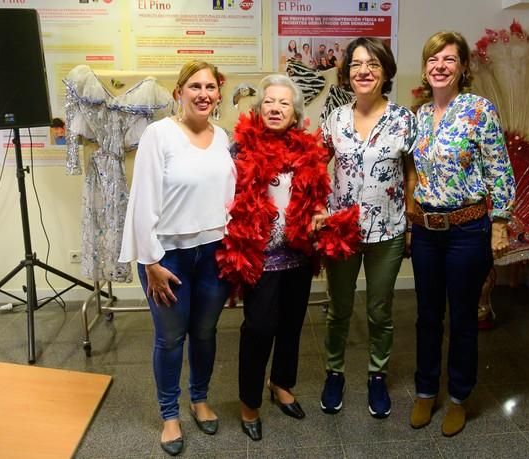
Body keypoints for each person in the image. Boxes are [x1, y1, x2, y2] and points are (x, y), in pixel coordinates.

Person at [216, 74, 354, 441]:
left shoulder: (307, 152)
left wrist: (319, 211)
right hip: (259, 257)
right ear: (259, 110)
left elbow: (314, 195)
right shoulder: (238, 150)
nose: (275, 108)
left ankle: (281, 384)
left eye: (283, 104)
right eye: (268, 102)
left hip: (297, 254)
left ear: (295, 114)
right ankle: (249, 403)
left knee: (292, 325)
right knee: (259, 329)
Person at [119, 60, 235, 456]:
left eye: (210, 87)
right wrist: (151, 262)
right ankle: (170, 415)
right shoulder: (159, 134)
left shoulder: (223, 137)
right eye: (194, 86)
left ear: (218, 94)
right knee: (170, 338)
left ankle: (199, 398)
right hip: (167, 256)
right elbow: (143, 200)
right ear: (179, 92)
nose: (203, 93)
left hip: (214, 252)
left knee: (205, 332)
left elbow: (230, 199)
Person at [408, 31, 515, 437]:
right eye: (434, 58)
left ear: (463, 68)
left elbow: (498, 167)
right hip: (426, 232)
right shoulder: (417, 116)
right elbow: (412, 172)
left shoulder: (478, 110)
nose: (440, 66)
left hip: (468, 230)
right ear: (425, 67)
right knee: (427, 317)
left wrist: (500, 222)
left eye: (449, 59)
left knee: (464, 318)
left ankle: (458, 397)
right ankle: (424, 390)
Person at [320, 37, 418, 419]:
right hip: (342, 232)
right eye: (357, 64)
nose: (364, 71)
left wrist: (410, 220)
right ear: (347, 74)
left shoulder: (403, 119)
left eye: (373, 64)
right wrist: (315, 207)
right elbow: (316, 165)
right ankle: (334, 373)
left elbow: (411, 171)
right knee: (339, 309)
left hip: (388, 231)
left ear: (386, 72)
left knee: (380, 310)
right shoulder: (336, 118)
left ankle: (377, 376)